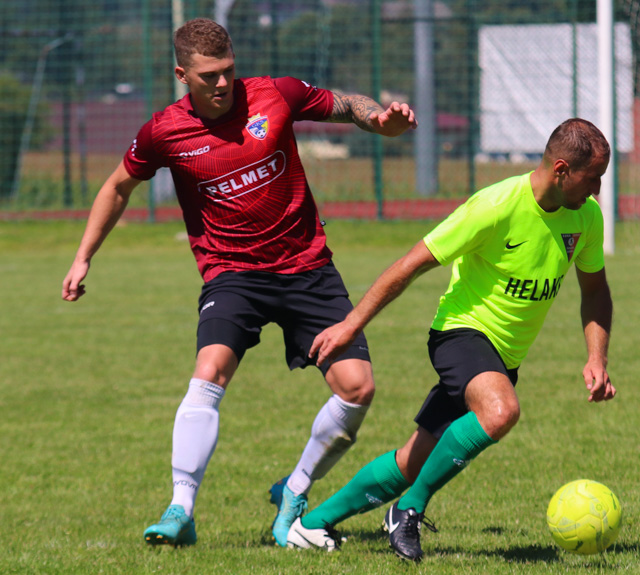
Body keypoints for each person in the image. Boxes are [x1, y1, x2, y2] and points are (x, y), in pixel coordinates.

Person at [61, 18, 416, 547]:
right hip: (234, 275)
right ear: (182, 74)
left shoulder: (275, 95)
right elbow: (117, 187)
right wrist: (83, 256)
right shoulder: (164, 131)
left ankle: (294, 492)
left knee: (358, 388)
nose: (223, 84)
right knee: (209, 372)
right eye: (208, 76)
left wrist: (379, 119)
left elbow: (345, 105)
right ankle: (181, 509)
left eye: (228, 71)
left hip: (308, 269)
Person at [282, 118, 617, 561]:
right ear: (560, 169)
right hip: (461, 334)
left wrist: (597, 357)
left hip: (504, 357)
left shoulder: (587, 218)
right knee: (500, 412)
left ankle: (310, 525)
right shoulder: (495, 206)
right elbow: (410, 264)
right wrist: (351, 325)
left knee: (413, 461)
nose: (597, 191)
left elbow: (596, 291)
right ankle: (408, 510)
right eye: (592, 178)